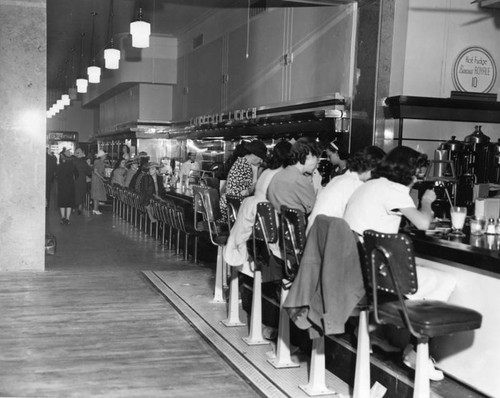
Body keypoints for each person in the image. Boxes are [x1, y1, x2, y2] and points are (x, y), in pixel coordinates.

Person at [344, 145, 456, 381]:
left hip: (359, 270)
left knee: (426, 280)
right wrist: (426, 201)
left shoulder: (370, 186)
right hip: (379, 277)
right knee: (445, 280)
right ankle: (416, 351)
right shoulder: (395, 190)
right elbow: (424, 223)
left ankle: (399, 340)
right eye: (417, 172)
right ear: (408, 170)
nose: (419, 176)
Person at [306, 145, 385, 234]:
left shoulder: (339, 179)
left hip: (314, 238)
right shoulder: (356, 186)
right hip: (329, 241)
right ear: (372, 168)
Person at [219, 140, 268, 225]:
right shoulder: (245, 166)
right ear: (254, 155)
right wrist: (258, 178)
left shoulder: (240, 162)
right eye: (261, 158)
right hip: (234, 212)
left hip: (227, 207)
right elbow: (247, 192)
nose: (261, 162)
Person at [267, 139, 321, 215]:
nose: (317, 164)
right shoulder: (300, 179)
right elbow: (315, 208)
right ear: (308, 155)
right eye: (317, 159)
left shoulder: (277, 176)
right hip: (297, 224)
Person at [57, 149, 78, 225]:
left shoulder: (60, 165)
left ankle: (62, 217)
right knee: (69, 202)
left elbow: (57, 175)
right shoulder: (73, 165)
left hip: (62, 185)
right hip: (70, 185)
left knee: (62, 202)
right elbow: (77, 175)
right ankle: (67, 218)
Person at [73, 148, 91, 215]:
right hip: (82, 179)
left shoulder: (73, 161)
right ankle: (80, 208)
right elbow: (88, 172)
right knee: (81, 193)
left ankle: (74, 208)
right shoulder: (84, 162)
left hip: (74, 179)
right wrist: (88, 165)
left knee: (74, 193)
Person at [91, 149, 108, 215]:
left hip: (98, 179)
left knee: (97, 194)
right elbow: (95, 171)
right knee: (96, 194)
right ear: (102, 156)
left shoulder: (100, 162)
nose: (105, 156)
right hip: (96, 179)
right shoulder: (97, 161)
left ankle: (96, 208)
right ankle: (95, 209)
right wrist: (102, 178)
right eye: (104, 155)